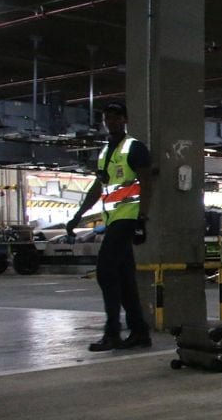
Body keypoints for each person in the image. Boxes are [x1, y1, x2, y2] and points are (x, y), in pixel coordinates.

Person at [66, 101, 155, 351]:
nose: (111, 122)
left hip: (128, 218)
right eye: (107, 118)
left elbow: (147, 182)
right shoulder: (106, 152)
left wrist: (142, 218)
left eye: (116, 118)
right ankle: (139, 332)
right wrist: (78, 215)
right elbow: (99, 187)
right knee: (125, 278)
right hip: (113, 219)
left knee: (106, 272)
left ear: (125, 120)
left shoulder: (134, 148)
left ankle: (112, 332)